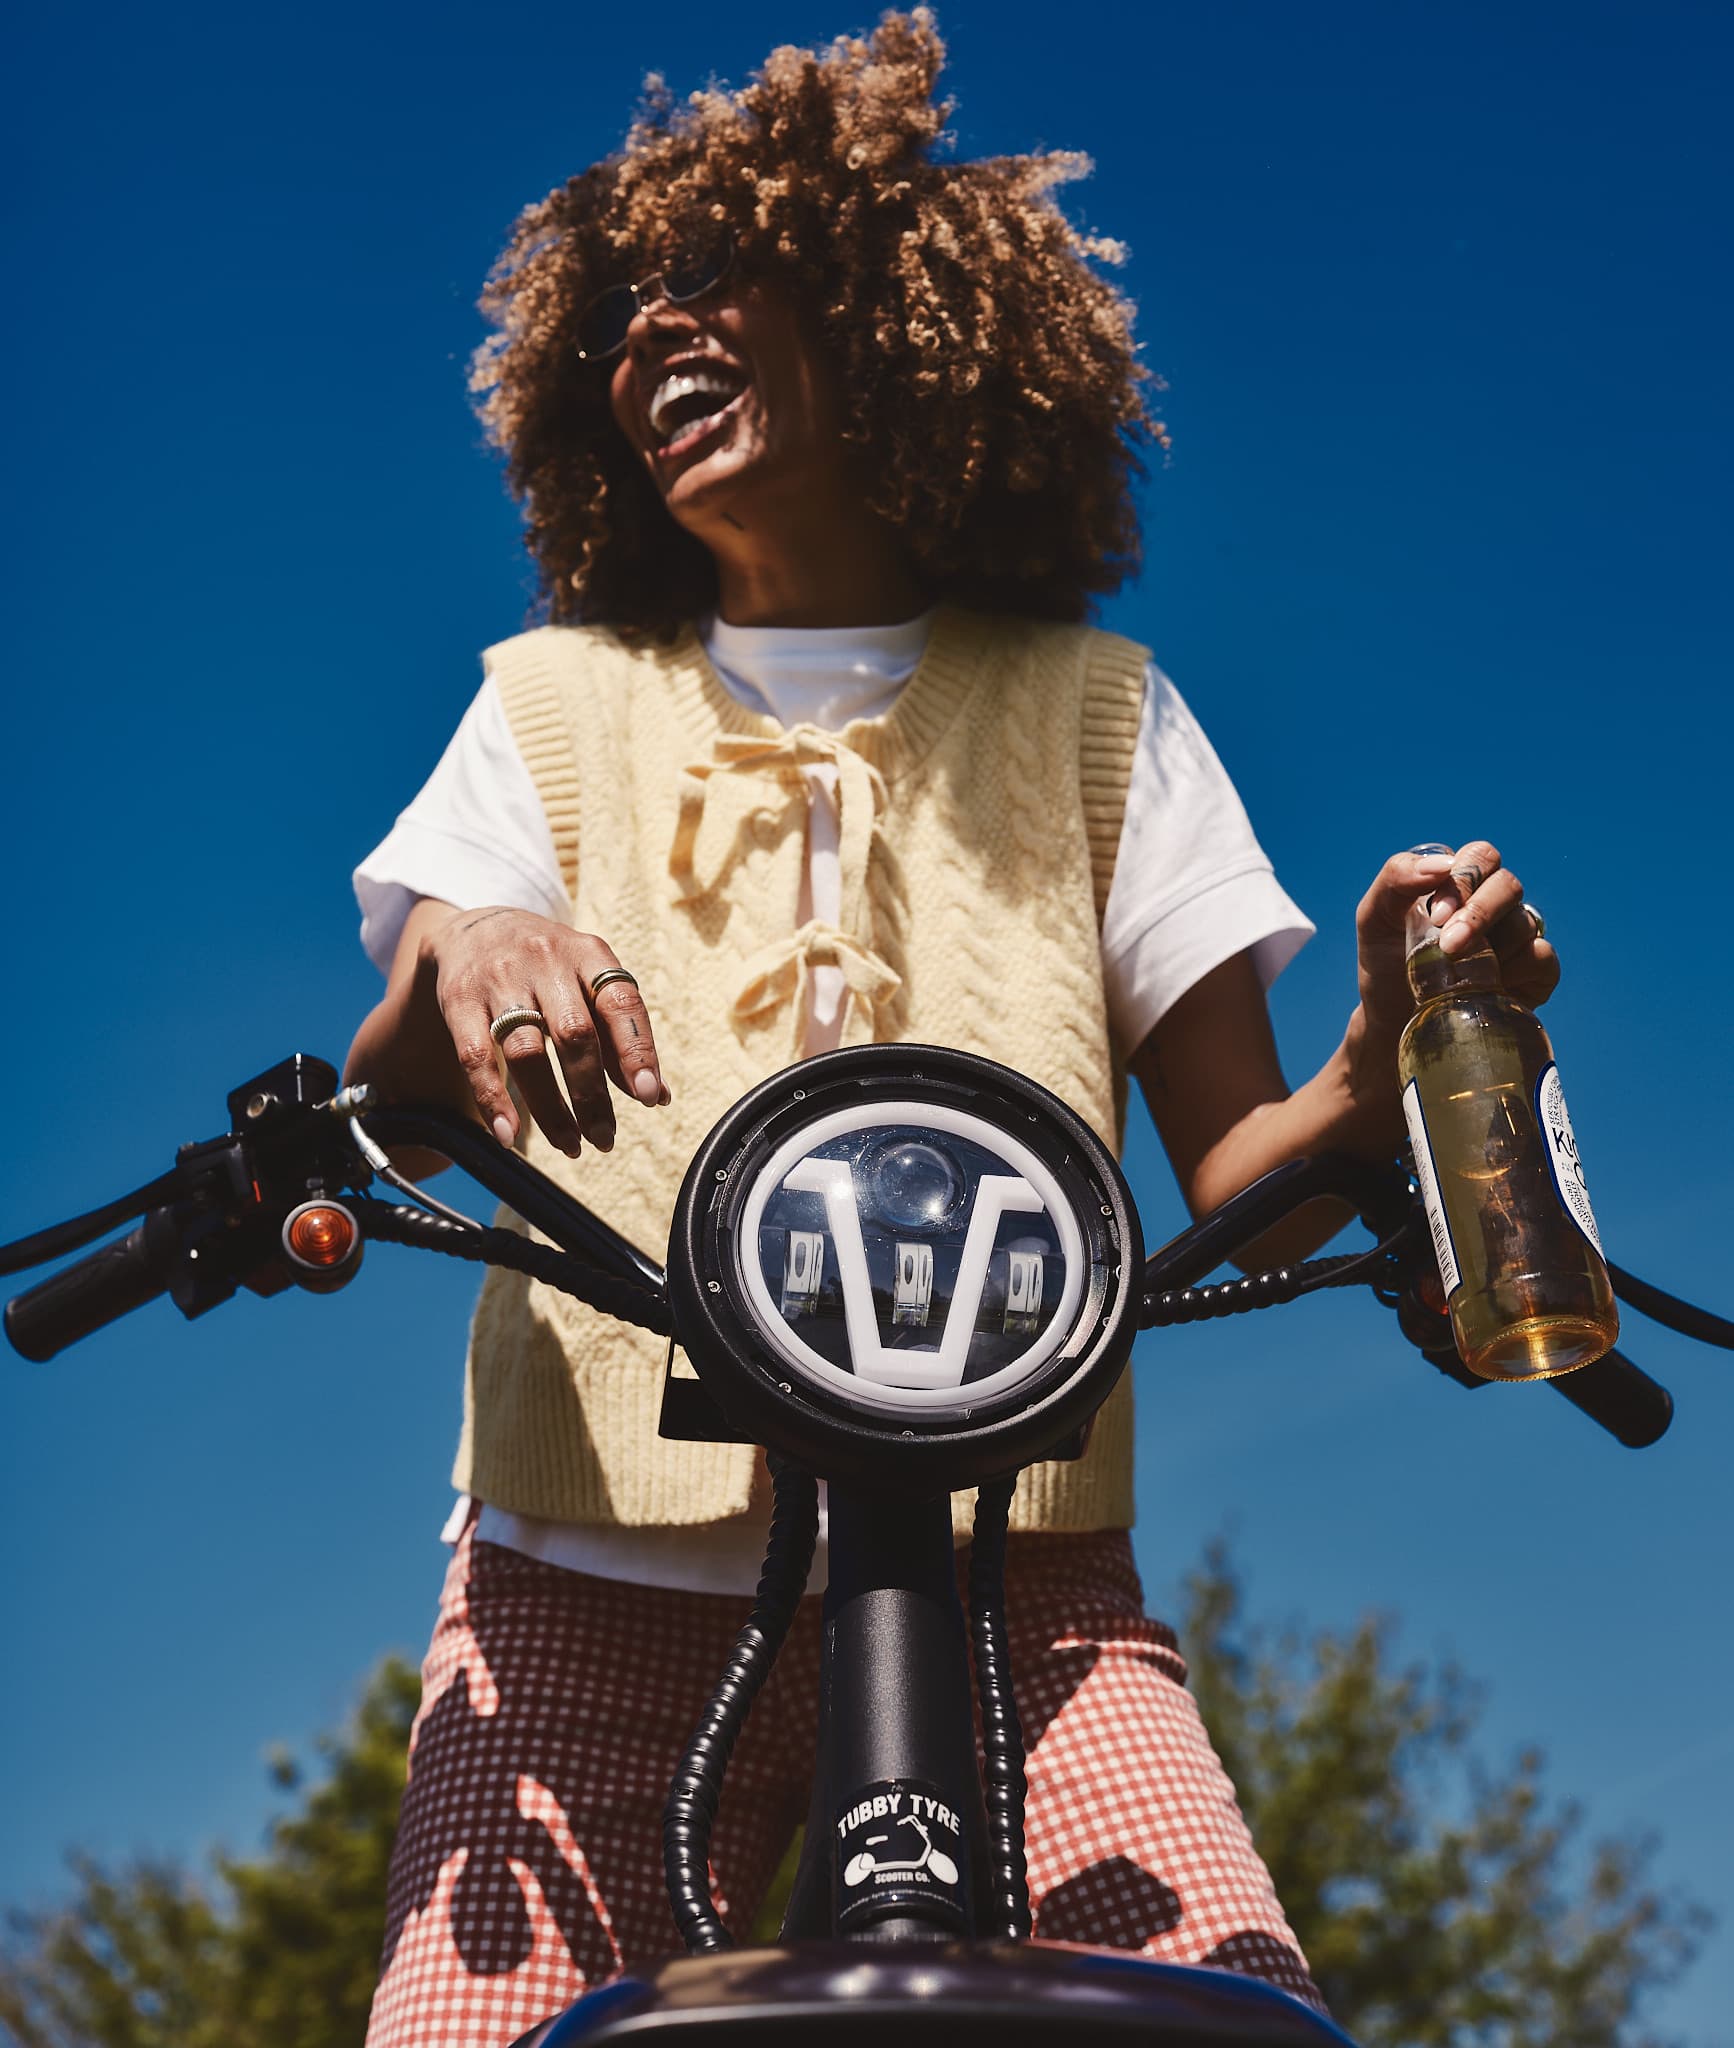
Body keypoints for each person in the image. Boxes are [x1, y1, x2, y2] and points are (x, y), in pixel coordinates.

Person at [345, 15, 1559, 2046]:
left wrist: (1371, 1067)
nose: (650, 333)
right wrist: (467, 943)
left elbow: (1245, 1184)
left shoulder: (1099, 713)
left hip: (1020, 1584)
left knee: (1235, 2016)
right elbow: (391, 1096)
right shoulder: (547, 704)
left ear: (883, 314)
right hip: (586, 1578)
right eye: (617, 319)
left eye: (710, 278)